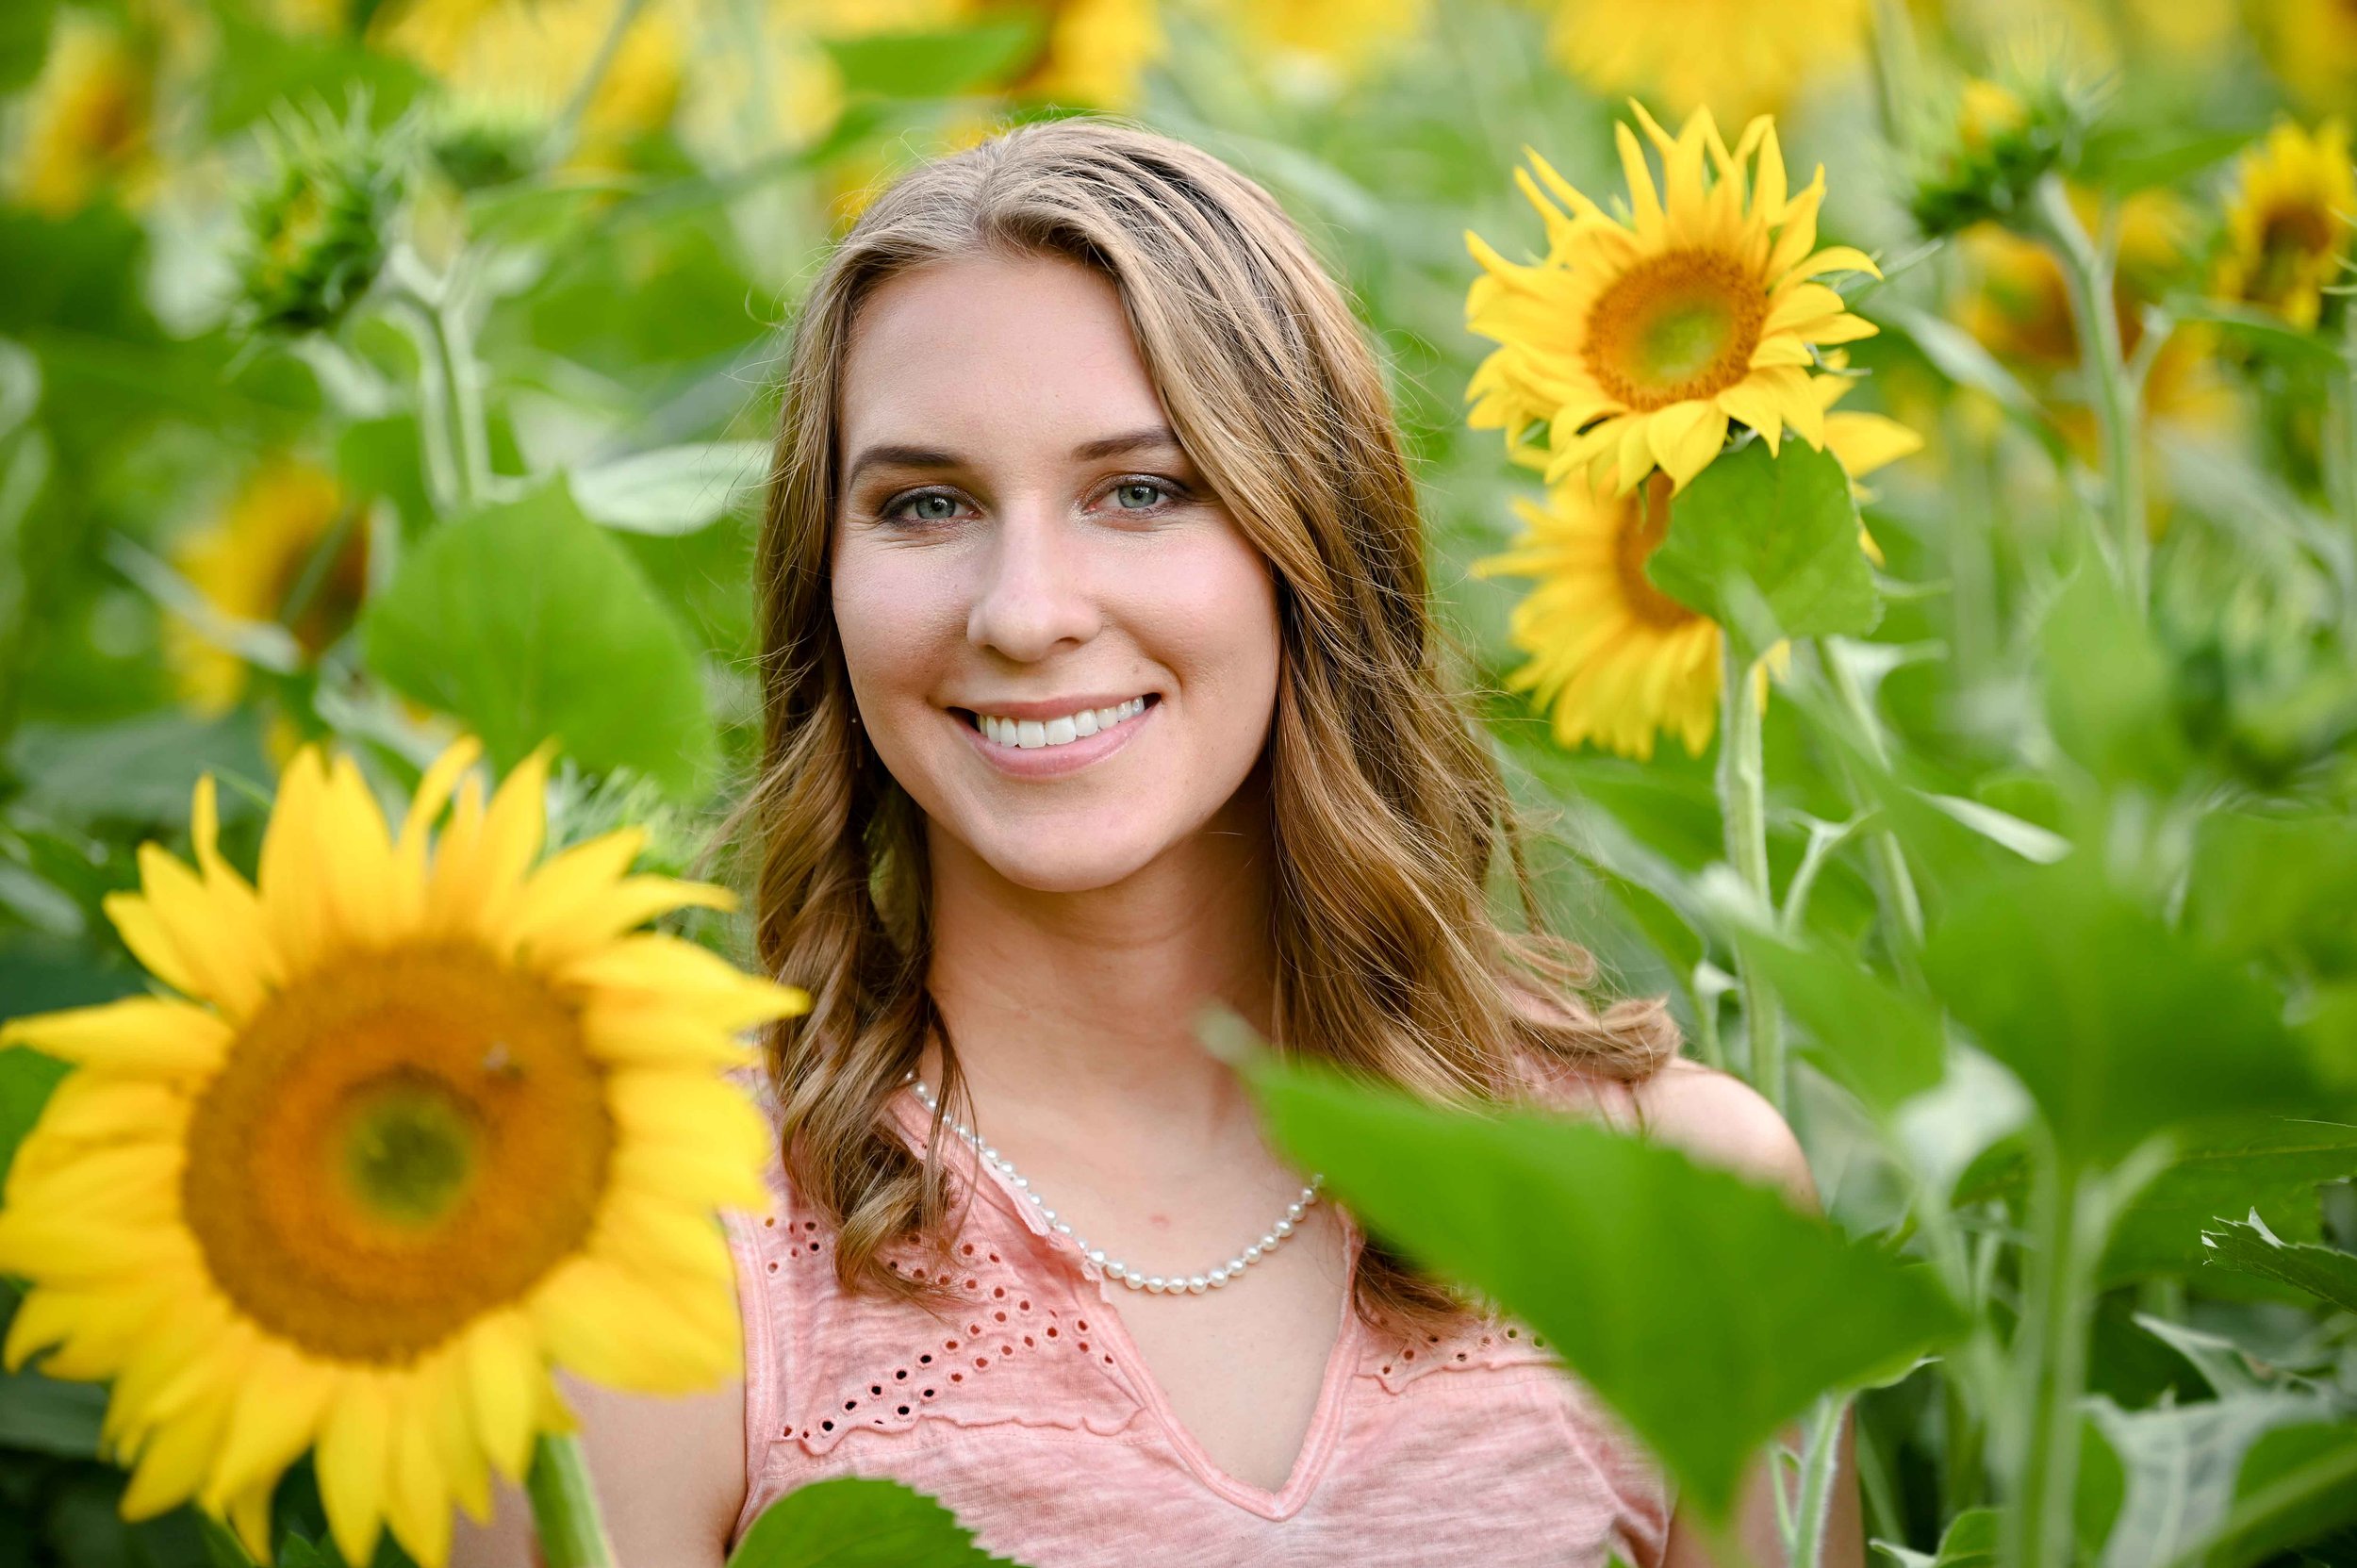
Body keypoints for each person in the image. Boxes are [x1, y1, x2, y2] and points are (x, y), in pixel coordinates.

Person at [451, 115, 1861, 1568]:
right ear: (823, 584)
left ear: (1313, 544)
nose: (1025, 611)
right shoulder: (645, 1228)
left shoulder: (1682, 1205)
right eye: (925, 505)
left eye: (1141, 490)